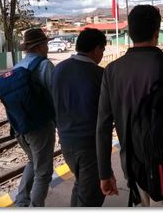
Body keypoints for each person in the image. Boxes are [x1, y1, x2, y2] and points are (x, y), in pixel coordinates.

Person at [96, 5, 163, 207]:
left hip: (134, 169)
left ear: (129, 33)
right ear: (156, 32)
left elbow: (102, 128)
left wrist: (105, 173)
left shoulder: (112, 71)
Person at [51, 28, 107, 207]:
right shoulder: (99, 74)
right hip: (89, 145)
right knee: (91, 197)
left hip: (67, 143)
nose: (102, 55)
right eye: (103, 50)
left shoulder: (59, 69)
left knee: (81, 185)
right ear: (97, 49)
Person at [13, 28, 56, 207]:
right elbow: (56, 95)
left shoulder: (17, 67)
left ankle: (21, 202)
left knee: (33, 162)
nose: (47, 47)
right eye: (46, 43)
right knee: (44, 172)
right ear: (39, 46)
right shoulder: (44, 65)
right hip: (40, 128)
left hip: (19, 126)